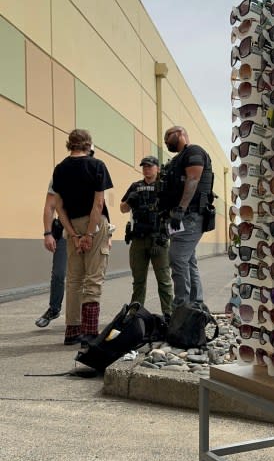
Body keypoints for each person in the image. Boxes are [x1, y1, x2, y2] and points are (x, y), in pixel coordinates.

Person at [52, 129, 113, 347]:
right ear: (88, 144)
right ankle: (89, 333)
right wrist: (89, 233)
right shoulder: (97, 166)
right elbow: (98, 204)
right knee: (93, 278)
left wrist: (74, 234)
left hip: (72, 225)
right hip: (93, 223)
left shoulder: (59, 169)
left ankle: (71, 330)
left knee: (74, 279)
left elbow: (58, 205)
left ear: (70, 144)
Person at [163, 126, 213, 307]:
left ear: (181, 133)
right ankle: (196, 306)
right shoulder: (177, 160)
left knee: (177, 258)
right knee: (188, 260)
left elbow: (193, 180)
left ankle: (182, 307)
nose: (166, 141)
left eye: (168, 136)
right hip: (182, 217)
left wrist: (180, 209)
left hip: (190, 215)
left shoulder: (194, 152)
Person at [120, 156, 172, 320]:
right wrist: (130, 200)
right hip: (139, 239)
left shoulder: (164, 186)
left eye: (150, 166)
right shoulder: (136, 186)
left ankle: (169, 313)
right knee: (138, 281)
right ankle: (135, 314)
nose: (147, 169)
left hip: (158, 238)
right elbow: (122, 208)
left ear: (157, 168)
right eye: (144, 167)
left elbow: (173, 210)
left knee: (164, 280)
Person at [35, 186, 67, 328]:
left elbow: (99, 205)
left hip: (85, 231)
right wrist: (48, 233)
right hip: (64, 233)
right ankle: (54, 309)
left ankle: (82, 316)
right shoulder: (59, 175)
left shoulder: (92, 170)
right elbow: (50, 205)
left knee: (83, 278)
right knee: (58, 274)